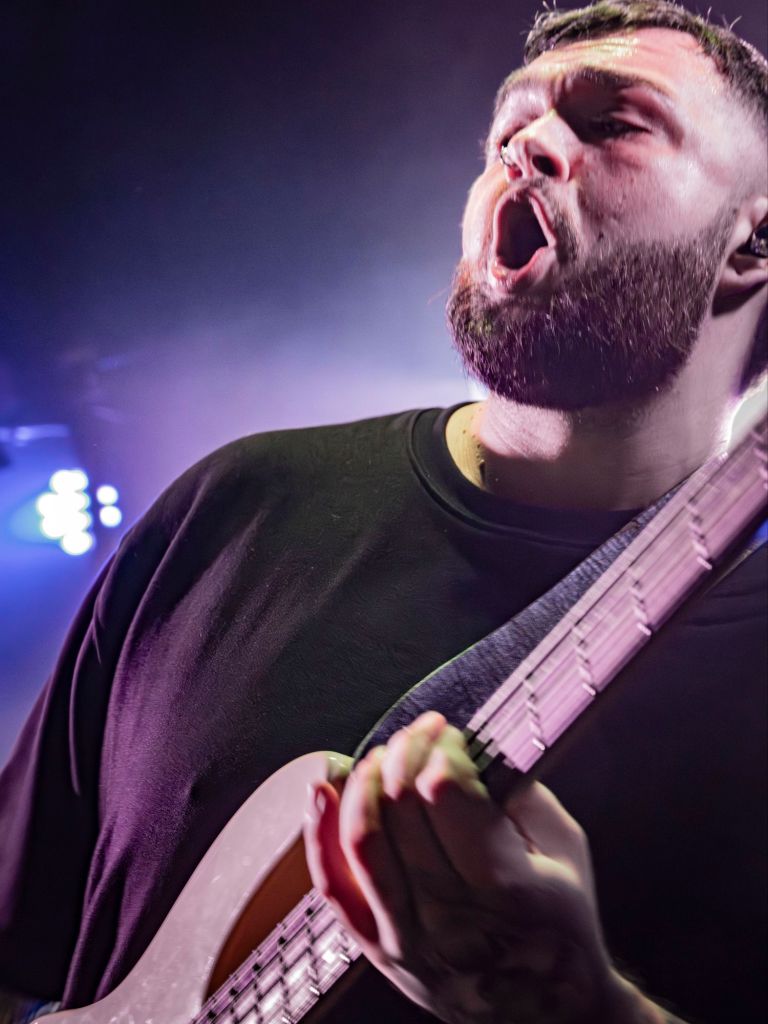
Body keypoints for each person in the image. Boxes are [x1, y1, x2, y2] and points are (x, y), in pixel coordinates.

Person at [1, 1, 766, 1021]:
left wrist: (587, 1010)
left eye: (613, 122)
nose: (527, 145)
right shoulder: (236, 507)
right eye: (508, 130)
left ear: (755, 240)